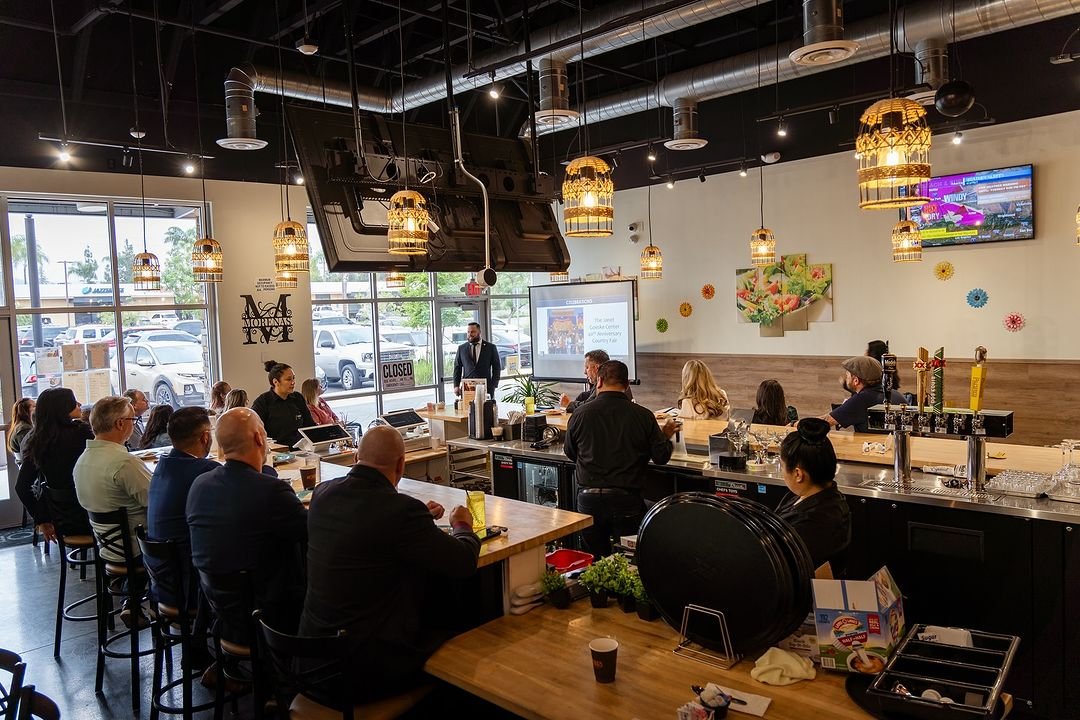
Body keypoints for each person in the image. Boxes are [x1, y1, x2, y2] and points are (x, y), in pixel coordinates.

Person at [300, 426, 480, 700]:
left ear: (357, 456)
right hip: (364, 673)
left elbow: (367, 528)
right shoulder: (400, 512)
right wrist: (463, 525)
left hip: (312, 664)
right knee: (466, 639)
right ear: (401, 464)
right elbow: (464, 562)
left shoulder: (323, 494)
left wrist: (419, 520)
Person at [187, 408, 307, 641]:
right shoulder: (271, 491)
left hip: (220, 611)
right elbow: (312, 532)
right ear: (259, 438)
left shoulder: (199, 485)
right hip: (269, 616)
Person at [564, 361, 677, 557]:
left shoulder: (580, 414)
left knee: (593, 561)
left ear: (598, 381)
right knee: (628, 560)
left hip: (588, 498)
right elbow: (661, 457)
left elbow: (570, 452)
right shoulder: (643, 416)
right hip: (626, 499)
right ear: (627, 385)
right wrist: (665, 436)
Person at [73, 396, 153, 627]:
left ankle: (133, 599)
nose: (134, 423)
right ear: (120, 424)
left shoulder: (83, 460)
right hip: (137, 547)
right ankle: (177, 611)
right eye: (133, 419)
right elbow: (156, 500)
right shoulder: (123, 462)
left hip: (106, 546)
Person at [147, 407, 219, 608]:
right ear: (205, 437)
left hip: (161, 580)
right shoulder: (205, 471)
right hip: (190, 585)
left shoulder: (162, 466)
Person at [15, 388, 94, 542]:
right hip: (90, 515)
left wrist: (42, 520)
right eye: (73, 402)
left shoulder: (37, 441)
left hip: (60, 519)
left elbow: (21, 486)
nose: (79, 404)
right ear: (63, 407)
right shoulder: (83, 433)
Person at [775, 418, 851, 572]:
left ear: (798, 474)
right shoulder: (810, 496)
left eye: (782, 466)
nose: (782, 472)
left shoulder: (813, 524)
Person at [822, 357, 905, 433]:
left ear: (856, 381)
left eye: (847, 375)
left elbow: (823, 422)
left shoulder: (861, 399)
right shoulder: (896, 393)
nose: (845, 378)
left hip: (875, 447)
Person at [250, 361, 314, 448]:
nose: (293, 382)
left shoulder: (298, 398)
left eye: (293, 378)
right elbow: (254, 432)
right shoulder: (263, 402)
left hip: (302, 449)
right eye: (288, 379)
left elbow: (310, 425)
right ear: (276, 382)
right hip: (276, 451)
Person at [559, 349, 633, 412]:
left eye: (587, 367)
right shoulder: (619, 382)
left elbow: (589, 406)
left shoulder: (604, 385)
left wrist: (569, 404)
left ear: (597, 368)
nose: (584, 372)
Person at [452, 322, 500, 399]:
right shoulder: (462, 348)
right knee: (467, 410)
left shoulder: (490, 348)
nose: (470, 334)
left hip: (486, 388)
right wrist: (456, 386)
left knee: (486, 410)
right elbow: (457, 368)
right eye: (468, 332)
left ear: (479, 332)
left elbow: (496, 367)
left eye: (473, 332)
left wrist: (494, 384)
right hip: (467, 389)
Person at [7, 397, 34, 464]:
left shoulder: (21, 426)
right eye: (34, 406)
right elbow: (30, 453)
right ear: (25, 411)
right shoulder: (24, 428)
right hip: (26, 468)